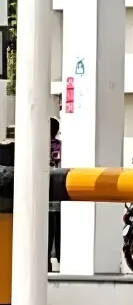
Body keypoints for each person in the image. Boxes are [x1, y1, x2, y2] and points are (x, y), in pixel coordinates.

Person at [48, 117, 61, 273]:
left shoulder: (37, 145)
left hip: (43, 199)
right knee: (59, 233)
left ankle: (47, 264)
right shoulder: (61, 146)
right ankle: (61, 260)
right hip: (59, 197)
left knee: (46, 234)